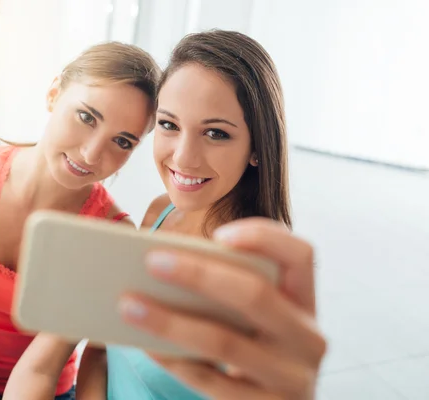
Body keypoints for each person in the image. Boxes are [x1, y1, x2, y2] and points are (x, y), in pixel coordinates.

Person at [71, 30, 327, 399]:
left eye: (216, 133)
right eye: (169, 125)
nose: (183, 157)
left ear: (257, 148)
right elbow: (101, 347)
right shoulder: (159, 213)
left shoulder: (258, 275)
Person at [0, 41, 161, 400]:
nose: (91, 153)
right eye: (86, 117)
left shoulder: (112, 235)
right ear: (54, 93)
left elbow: (41, 368)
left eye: (121, 141)